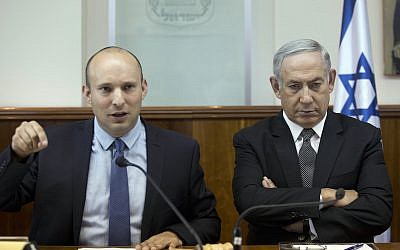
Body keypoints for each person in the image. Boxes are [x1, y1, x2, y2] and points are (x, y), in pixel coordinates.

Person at [0, 46, 220, 248]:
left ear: (143, 88)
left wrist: (175, 235)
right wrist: (17, 155)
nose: (118, 100)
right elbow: (4, 199)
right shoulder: (52, 145)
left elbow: (209, 222)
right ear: (88, 94)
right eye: (106, 89)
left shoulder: (180, 151)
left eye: (128, 87)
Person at [232, 39, 392, 244]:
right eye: (294, 86)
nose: (306, 98)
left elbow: (379, 211)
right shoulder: (252, 140)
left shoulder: (363, 137)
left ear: (331, 80)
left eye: (315, 85)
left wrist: (303, 221)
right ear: (276, 87)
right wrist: (325, 196)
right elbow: (249, 203)